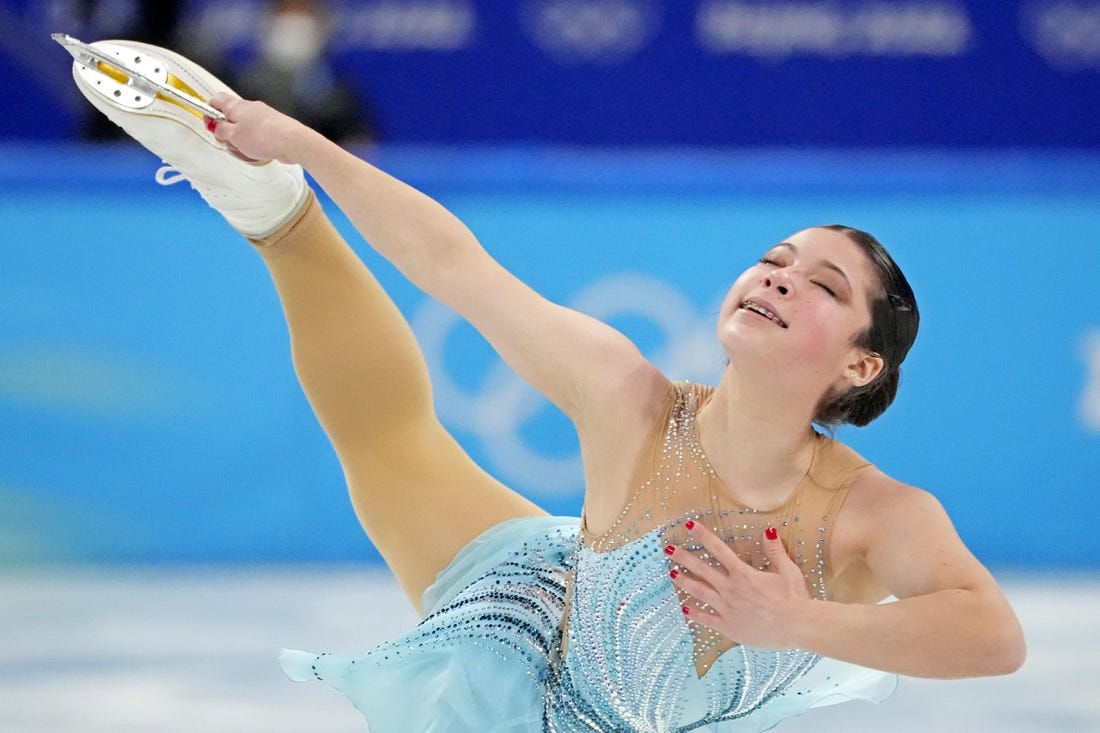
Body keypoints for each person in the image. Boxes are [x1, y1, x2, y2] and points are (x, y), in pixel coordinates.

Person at [65, 37, 1026, 732]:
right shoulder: (633, 398)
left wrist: (796, 620)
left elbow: (994, 637)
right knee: (388, 444)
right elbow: (456, 266)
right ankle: (277, 218)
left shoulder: (874, 513)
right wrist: (299, 145)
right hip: (534, 632)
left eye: (821, 284)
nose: (777, 274)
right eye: (775, 258)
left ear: (861, 366)